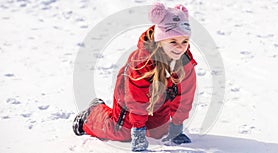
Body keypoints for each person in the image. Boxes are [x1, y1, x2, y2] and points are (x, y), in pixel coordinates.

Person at [72, 2, 197, 152]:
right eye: (173, 41)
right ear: (160, 40)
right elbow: (136, 99)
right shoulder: (142, 62)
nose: (180, 47)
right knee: (123, 131)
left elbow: (185, 96)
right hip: (130, 92)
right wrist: (138, 129)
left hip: (161, 96)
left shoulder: (184, 62)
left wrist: (177, 126)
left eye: (184, 41)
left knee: (158, 132)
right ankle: (92, 113)